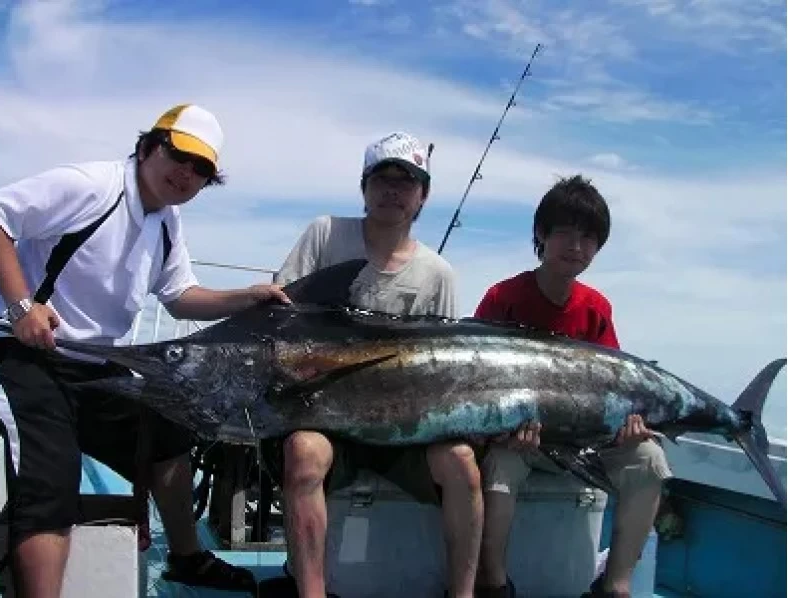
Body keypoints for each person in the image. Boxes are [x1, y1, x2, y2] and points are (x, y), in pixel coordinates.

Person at [0, 103, 290, 598]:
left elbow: (180, 297)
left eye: (201, 170)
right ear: (148, 147)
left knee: (169, 437)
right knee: (51, 485)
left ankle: (188, 559)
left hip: (98, 364)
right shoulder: (90, 186)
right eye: (179, 156)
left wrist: (247, 297)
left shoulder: (168, 224)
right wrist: (23, 307)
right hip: (28, 354)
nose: (186, 174)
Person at [258, 132, 483, 598]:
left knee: (462, 463)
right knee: (302, 452)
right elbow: (278, 319)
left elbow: (440, 370)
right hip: (329, 422)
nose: (393, 191)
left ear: (422, 196)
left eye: (407, 182)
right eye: (383, 179)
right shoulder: (325, 234)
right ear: (364, 186)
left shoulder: (437, 274)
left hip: (406, 434)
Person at [473, 175, 672, 598]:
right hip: (520, 441)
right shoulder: (501, 297)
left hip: (587, 442)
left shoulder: (597, 308)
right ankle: (492, 581)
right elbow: (478, 382)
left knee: (650, 459)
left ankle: (615, 587)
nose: (575, 245)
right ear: (541, 236)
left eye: (588, 237)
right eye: (563, 232)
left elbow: (614, 386)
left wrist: (630, 425)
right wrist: (504, 433)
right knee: (500, 466)